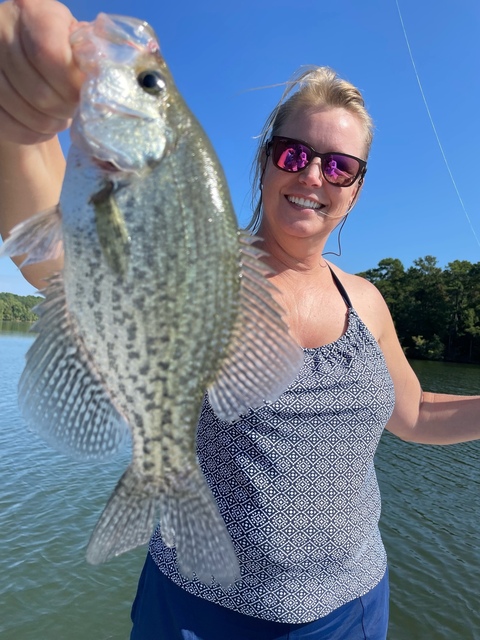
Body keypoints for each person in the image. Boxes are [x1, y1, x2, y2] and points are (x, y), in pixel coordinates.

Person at [1, 1, 479, 639]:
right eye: (293, 153)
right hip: (195, 611)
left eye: (339, 165)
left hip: (353, 606)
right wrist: (17, 126)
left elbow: (415, 414)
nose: (313, 174)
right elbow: (51, 256)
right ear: (264, 161)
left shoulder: (366, 301)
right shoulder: (198, 264)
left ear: (356, 188)